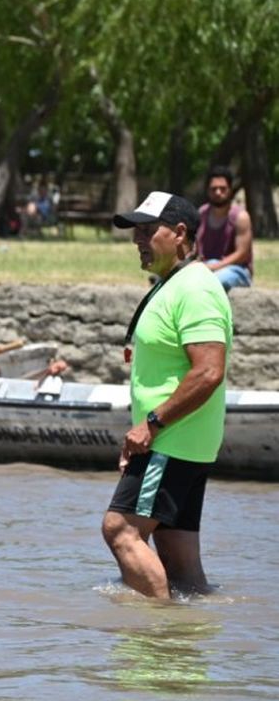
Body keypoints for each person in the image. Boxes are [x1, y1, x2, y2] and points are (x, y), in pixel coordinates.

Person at [101, 191, 232, 598]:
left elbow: (209, 371)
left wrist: (151, 425)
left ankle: (158, 636)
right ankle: (185, 645)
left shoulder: (195, 288)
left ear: (179, 233)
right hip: (178, 442)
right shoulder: (173, 284)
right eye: (134, 232)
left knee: (121, 529)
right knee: (178, 559)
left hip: (170, 440)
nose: (137, 240)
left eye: (146, 230)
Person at [195, 166, 254, 291]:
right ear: (207, 190)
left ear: (230, 190)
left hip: (237, 270)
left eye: (222, 188)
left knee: (213, 281)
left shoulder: (241, 217)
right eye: (213, 189)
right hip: (208, 267)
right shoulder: (201, 214)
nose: (218, 192)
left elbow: (242, 255)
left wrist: (214, 267)